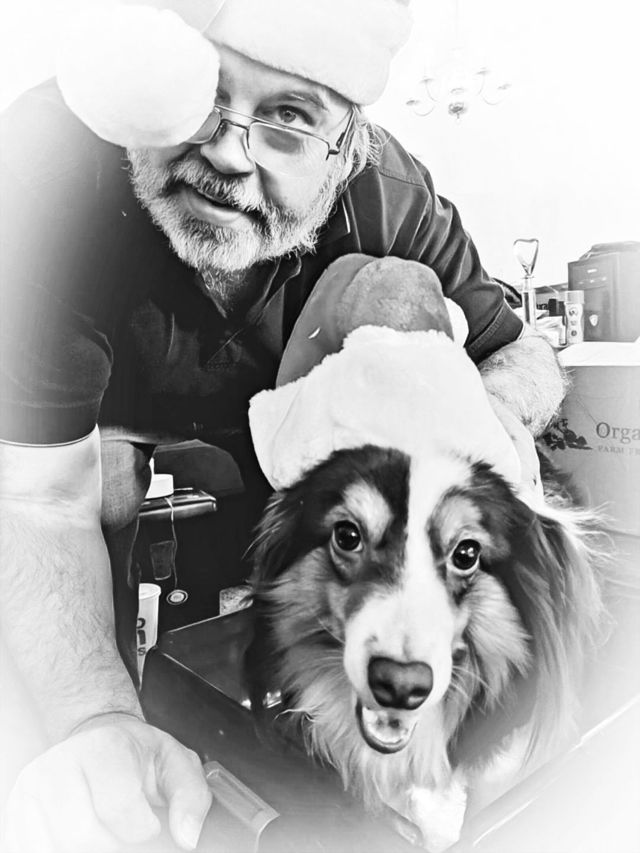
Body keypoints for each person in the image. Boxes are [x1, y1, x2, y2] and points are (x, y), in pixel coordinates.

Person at [0, 0, 565, 850]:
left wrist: (465, 423)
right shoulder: (44, 171)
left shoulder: (390, 197)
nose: (228, 152)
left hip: (279, 451)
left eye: (291, 116)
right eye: (202, 92)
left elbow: (525, 358)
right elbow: (40, 500)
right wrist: (94, 721)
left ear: (349, 149)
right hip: (102, 426)